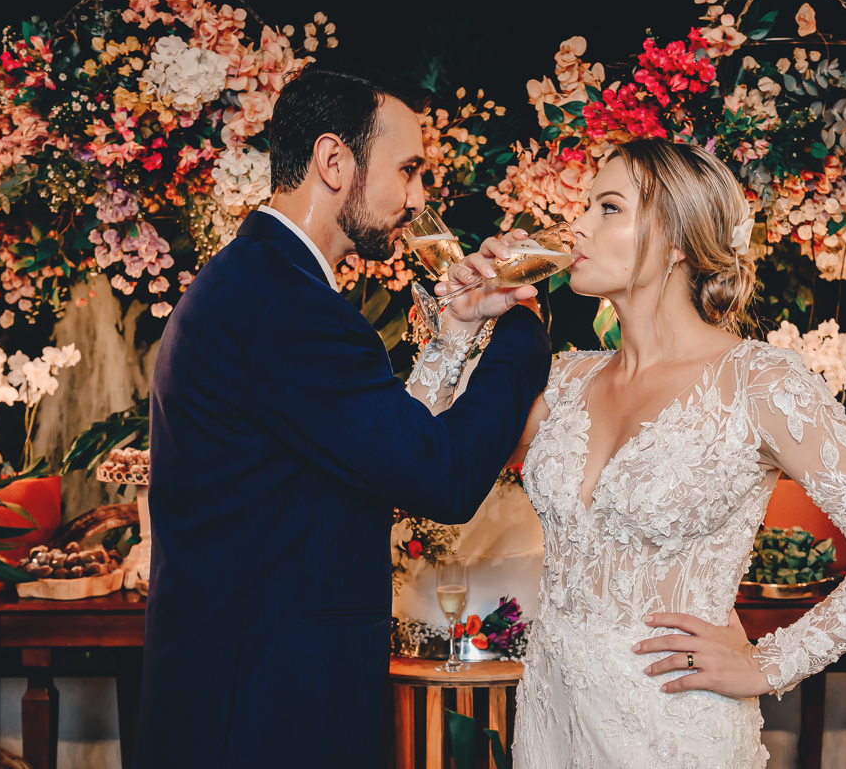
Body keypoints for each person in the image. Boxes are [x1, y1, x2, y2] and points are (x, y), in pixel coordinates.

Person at [419, 138, 846, 766]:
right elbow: (421, 457)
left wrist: (769, 663)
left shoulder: (759, 383)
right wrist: (458, 326)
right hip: (553, 721)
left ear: (676, 240)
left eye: (608, 208)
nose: (579, 226)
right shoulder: (563, 381)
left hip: (675, 729)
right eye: (586, 206)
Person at [136, 61, 551, 768]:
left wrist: (456, 334)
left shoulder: (256, 281)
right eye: (409, 169)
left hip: (237, 696)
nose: (419, 196)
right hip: (269, 714)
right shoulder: (290, 306)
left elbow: (381, 452)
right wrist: (520, 330)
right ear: (334, 160)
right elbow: (441, 477)